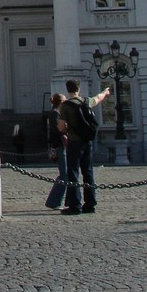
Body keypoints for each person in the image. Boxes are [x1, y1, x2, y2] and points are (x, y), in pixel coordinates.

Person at [57, 78, 111, 215]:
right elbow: (98, 98)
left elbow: (61, 127)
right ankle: (90, 204)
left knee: (73, 173)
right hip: (87, 141)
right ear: (78, 89)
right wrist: (105, 92)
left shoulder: (65, 106)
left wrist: (66, 130)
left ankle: (75, 205)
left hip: (74, 142)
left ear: (67, 89)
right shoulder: (86, 101)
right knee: (88, 172)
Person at [44, 93, 67, 210]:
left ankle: (54, 201)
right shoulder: (55, 113)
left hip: (61, 145)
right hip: (60, 146)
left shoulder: (57, 113)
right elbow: (59, 130)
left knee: (64, 174)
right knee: (64, 174)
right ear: (61, 102)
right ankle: (54, 201)